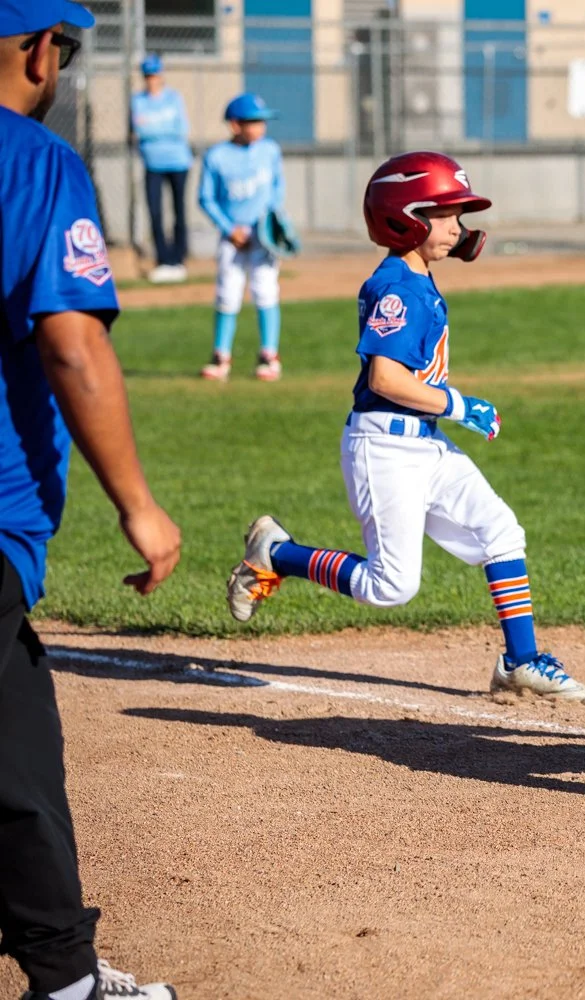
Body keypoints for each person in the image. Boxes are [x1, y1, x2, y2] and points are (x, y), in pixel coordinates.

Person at [223, 151, 585, 703]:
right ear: (406, 218)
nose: (458, 227)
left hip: (424, 444)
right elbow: (386, 377)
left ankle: (521, 661)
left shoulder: (416, 278)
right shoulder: (398, 287)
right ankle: (278, 555)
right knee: (391, 586)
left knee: (501, 532)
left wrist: (448, 411)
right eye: (445, 215)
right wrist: (460, 405)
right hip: (384, 448)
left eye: (459, 215)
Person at [0, 1, 183, 996]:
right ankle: (65, 980)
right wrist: (138, 505)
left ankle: (63, 972)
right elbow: (72, 344)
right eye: (62, 49)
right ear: (40, 52)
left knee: (14, 736)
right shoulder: (34, 162)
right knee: (16, 752)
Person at [197, 92, 285, 382]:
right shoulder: (217, 156)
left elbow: (277, 188)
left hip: (263, 235)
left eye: (262, 121)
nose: (260, 127)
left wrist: (274, 222)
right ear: (235, 124)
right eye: (253, 121)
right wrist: (228, 228)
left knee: (266, 290)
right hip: (232, 236)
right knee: (228, 294)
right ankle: (220, 356)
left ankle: (269, 355)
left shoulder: (270, 151)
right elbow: (206, 198)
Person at [129, 54, 191, 284]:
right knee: (155, 212)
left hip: (178, 161)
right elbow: (138, 130)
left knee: (179, 211)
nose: (151, 80)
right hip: (152, 163)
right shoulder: (138, 100)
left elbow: (180, 129)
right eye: (147, 75)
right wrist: (160, 130)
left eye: (154, 75)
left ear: (161, 75)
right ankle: (163, 260)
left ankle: (178, 259)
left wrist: (151, 131)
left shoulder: (174, 98)